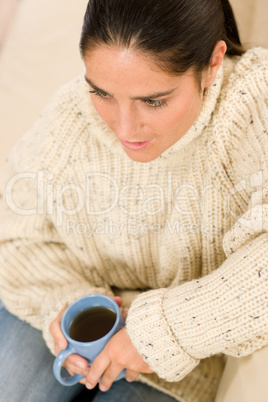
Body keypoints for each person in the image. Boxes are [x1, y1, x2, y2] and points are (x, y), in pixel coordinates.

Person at [0, 0, 267, 401]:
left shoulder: (251, 102)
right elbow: (14, 233)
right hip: (62, 316)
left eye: (153, 101)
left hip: (182, 349)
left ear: (213, 63)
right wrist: (62, 302)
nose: (124, 129)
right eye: (102, 93)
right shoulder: (70, 116)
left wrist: (162, 332)